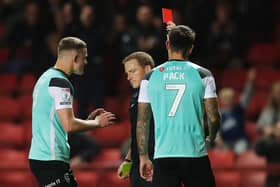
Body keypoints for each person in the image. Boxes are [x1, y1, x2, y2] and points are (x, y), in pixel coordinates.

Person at [136, 23, 221, 187]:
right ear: (191, 48)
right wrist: (212, 135)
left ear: (167, 44)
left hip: (163, 156)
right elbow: (213, 117)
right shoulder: (203, 74)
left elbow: (142, 122)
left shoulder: (150, 77)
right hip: (195, 153)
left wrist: (143, 156)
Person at [28, 37, 116, 187]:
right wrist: (96, 123)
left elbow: (57, 123)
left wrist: (87, 121)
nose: (86, 62)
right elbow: (69, 125)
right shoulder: (60, 83)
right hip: (51, 158)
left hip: (42, 157)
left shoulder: (45, 78)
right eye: (85, 58)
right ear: (75, 58)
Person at [117, 51, 155, 187]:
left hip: (154, 165)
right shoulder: (135, 97)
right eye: (127, 73)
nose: (128, 77)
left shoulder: (159, 95)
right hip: (137, 165)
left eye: (133, 71)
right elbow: (137, 135)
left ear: (147, 69)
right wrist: (128, 160)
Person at [217, 68, 256, 154]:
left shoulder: (238, 109)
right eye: (225, 98)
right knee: (221, 153)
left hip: (240, 140)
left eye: (230, 98)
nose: (228, 100)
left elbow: (247, 96)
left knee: (240, 151)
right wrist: (218, 139)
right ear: (221, 100)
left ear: (234, 99)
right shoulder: (218, 114)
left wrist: (250, 82)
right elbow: (216, 131)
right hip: (226, 142)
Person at [255, 121, 280, 187]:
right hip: (273, 177)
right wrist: (265, 136)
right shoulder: (271, 142)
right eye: (278, 129)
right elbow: (258, 151)